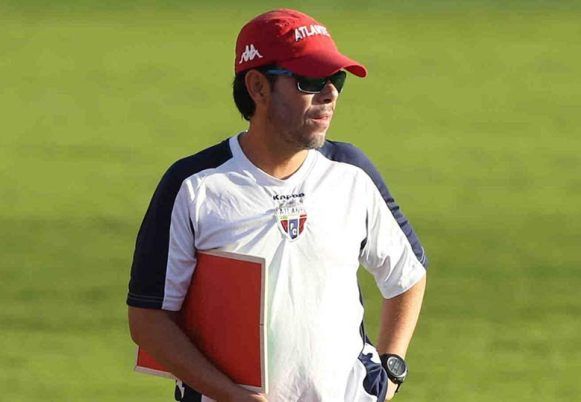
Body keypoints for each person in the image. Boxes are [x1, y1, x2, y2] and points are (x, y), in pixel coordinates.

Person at [127, 8, 427, 402]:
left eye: (336, 79)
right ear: (258, 87)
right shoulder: (194, 186)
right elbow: (148, 320)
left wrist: (390, 371)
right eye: (310, 80)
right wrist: (232, 396)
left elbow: (408, 274)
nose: (330, 94)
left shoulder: (352, 172)